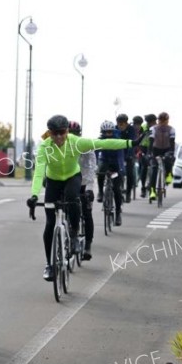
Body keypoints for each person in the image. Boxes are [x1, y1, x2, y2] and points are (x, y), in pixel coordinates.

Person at [27, 115, 144, 281]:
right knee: (50, 223)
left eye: (62, 132)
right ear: (50, 133)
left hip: (72, 177)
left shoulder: (76, 142)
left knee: (74, 199)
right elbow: (39, 172)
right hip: (53, 181)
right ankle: (49, 265)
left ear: (67, 131)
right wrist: (33, 195)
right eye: (55, 133)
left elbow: (105, 143)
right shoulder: (45, 147)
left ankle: (74, 235)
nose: (59, 137)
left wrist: (131, 143)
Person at [69, 121, 96, 259]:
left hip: (84, 182)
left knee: (87, 213)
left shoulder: (86, 146)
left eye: (75, 134)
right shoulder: (62, 145)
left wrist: (90, 189)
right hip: (69, 181)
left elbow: (92, 167)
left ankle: (88, 246)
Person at [96, 120, 124, 226]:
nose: (108, 134)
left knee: (117, 189)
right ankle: (100, 192)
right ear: (102, 132)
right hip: (105, 162)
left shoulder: (117, 141)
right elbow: (95, 152)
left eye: (110, 132)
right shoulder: (99, 140)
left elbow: (120, 156)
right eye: (106, 132)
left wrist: (121, 168)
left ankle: (118, 214)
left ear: (113, 132)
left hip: (116, 164)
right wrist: (94, 165)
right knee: (100, 172)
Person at [148, 112, 176, 201]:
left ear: (168, 121)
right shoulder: (153, 128)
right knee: (154, 169)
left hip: (167, 149)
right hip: (156, 149)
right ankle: (152, 191)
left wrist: (171, 152)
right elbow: (151, 141)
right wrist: (149, 153)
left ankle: (169, 174)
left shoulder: (171, 129)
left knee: (168, 161)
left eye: (165, 120)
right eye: (161, 120)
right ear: (158, 120)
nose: (163, 122)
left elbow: (172, 142)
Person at [115, 113, 137, 203]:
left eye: (122, 124)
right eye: (119, 123)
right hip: (118, 152)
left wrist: (129, 156)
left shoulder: (131, 129)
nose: (120, 126)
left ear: (126, 123)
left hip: (128, 152)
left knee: (129, 173)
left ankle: (128, 193)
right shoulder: (115, 128)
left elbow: (132, 143)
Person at [138, 114, 157, 198]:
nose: (150, 124)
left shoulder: (158, 127)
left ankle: (154, 185)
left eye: (152, 122)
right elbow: (138, 137)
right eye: (148, 122)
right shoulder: (143, 126)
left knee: (154, 165)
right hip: (144, 147)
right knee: (144, 166)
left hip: (154, 147)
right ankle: (143, 187)